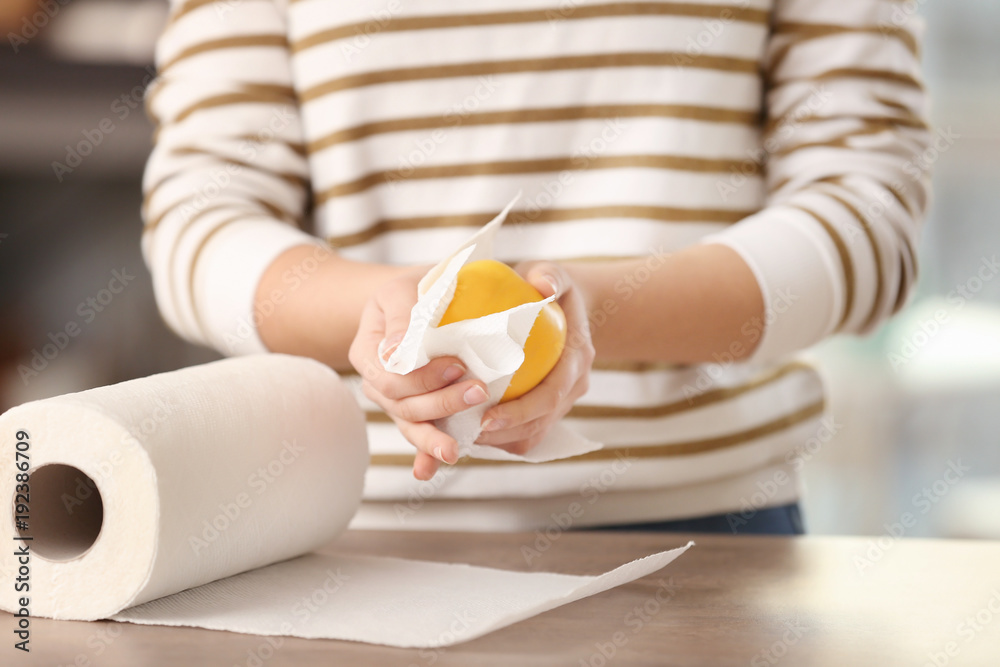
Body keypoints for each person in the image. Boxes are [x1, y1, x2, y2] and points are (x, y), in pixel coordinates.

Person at [142, 0, 931, 534]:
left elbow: (870, 209)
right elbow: (200, 217)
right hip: (359, 537)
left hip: (711, 536)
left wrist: (570, 312)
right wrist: (387, 317)